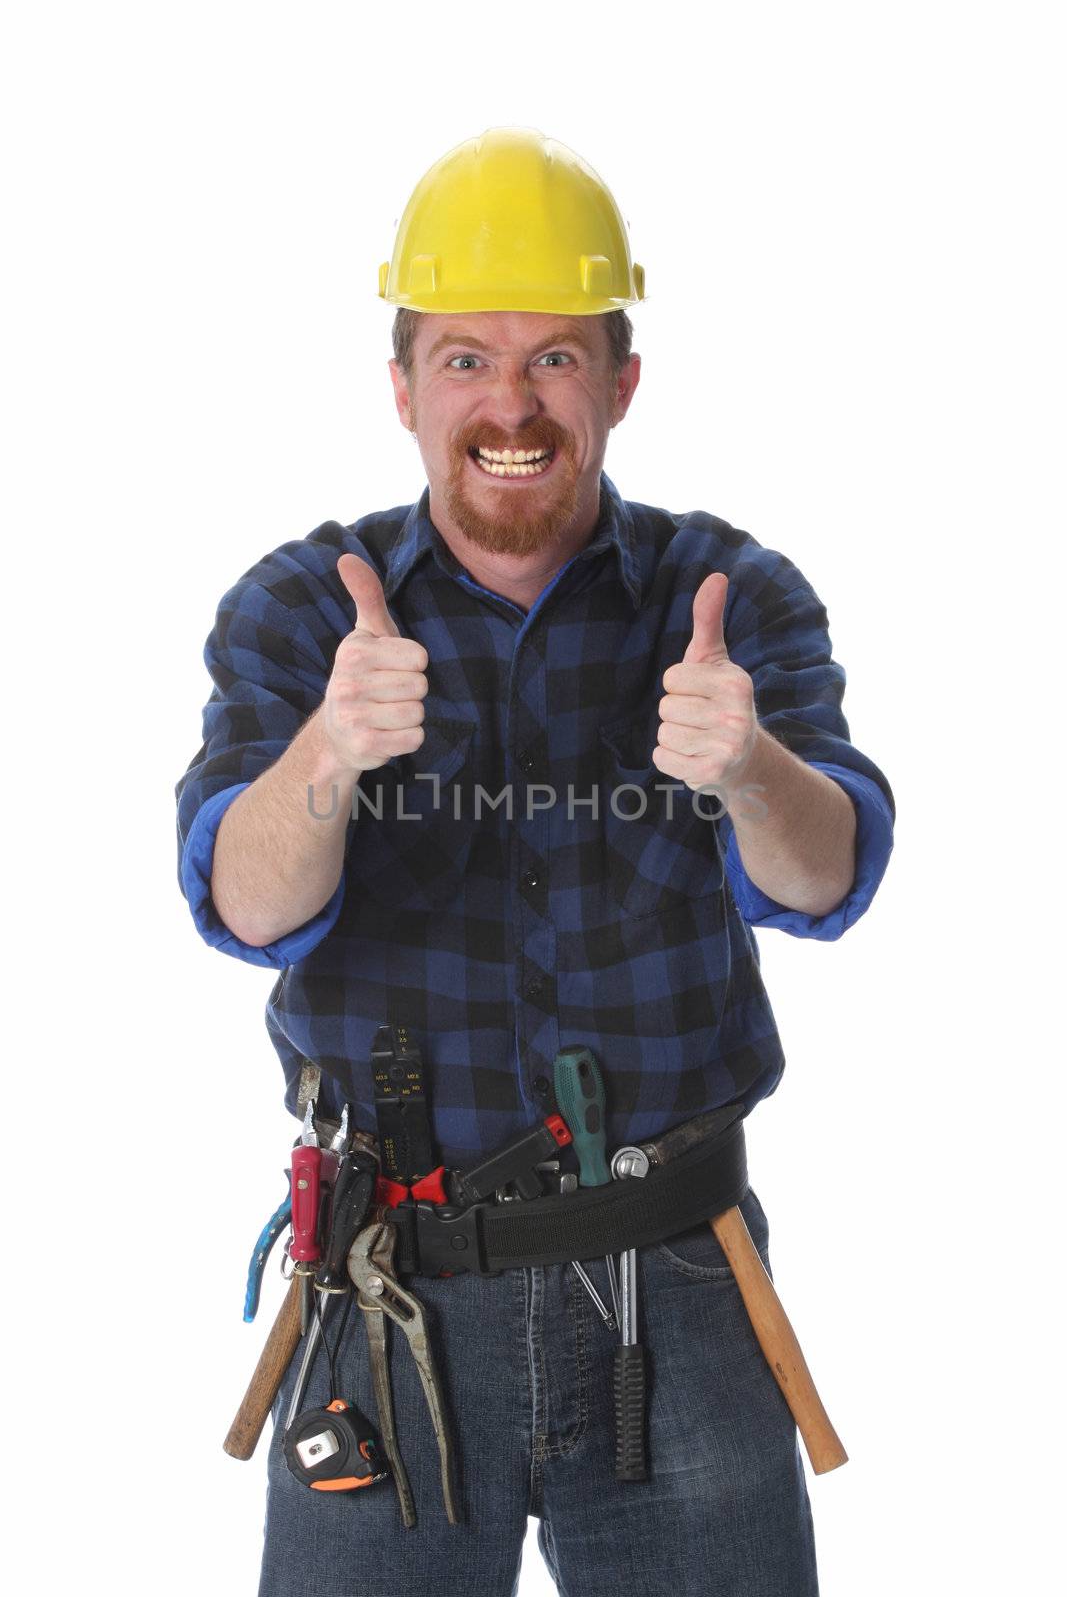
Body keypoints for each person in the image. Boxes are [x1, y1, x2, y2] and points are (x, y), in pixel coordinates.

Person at [175, 127, 894, 1597]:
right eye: (463, 361)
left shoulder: (727, 593)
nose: (511, 403)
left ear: (622, 380)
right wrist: (326, 754)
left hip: (681, 1288)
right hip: (386, 1305)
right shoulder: (302, 608)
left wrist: (746, 764)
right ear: (401, 387)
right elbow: (245, 907)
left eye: (557, 359)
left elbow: (828, 880)